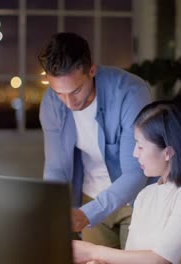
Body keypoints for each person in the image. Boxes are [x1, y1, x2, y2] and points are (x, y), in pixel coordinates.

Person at [38, 32, 152, 248]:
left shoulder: (131, 93)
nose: (68, 102)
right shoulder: (52, 103)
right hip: (90, 197)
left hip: (136, 200)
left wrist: (87, 214)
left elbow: (135, 172)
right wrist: (51, 210)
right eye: (59, 93)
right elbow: (56, 169)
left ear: (91, 70)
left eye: (76, 90)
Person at [72, 101, 181, 264]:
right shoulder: (145, 195)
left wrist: (94, 252)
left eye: (140, 147)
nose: (134, 153)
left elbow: (160, 260)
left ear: (168, 152)